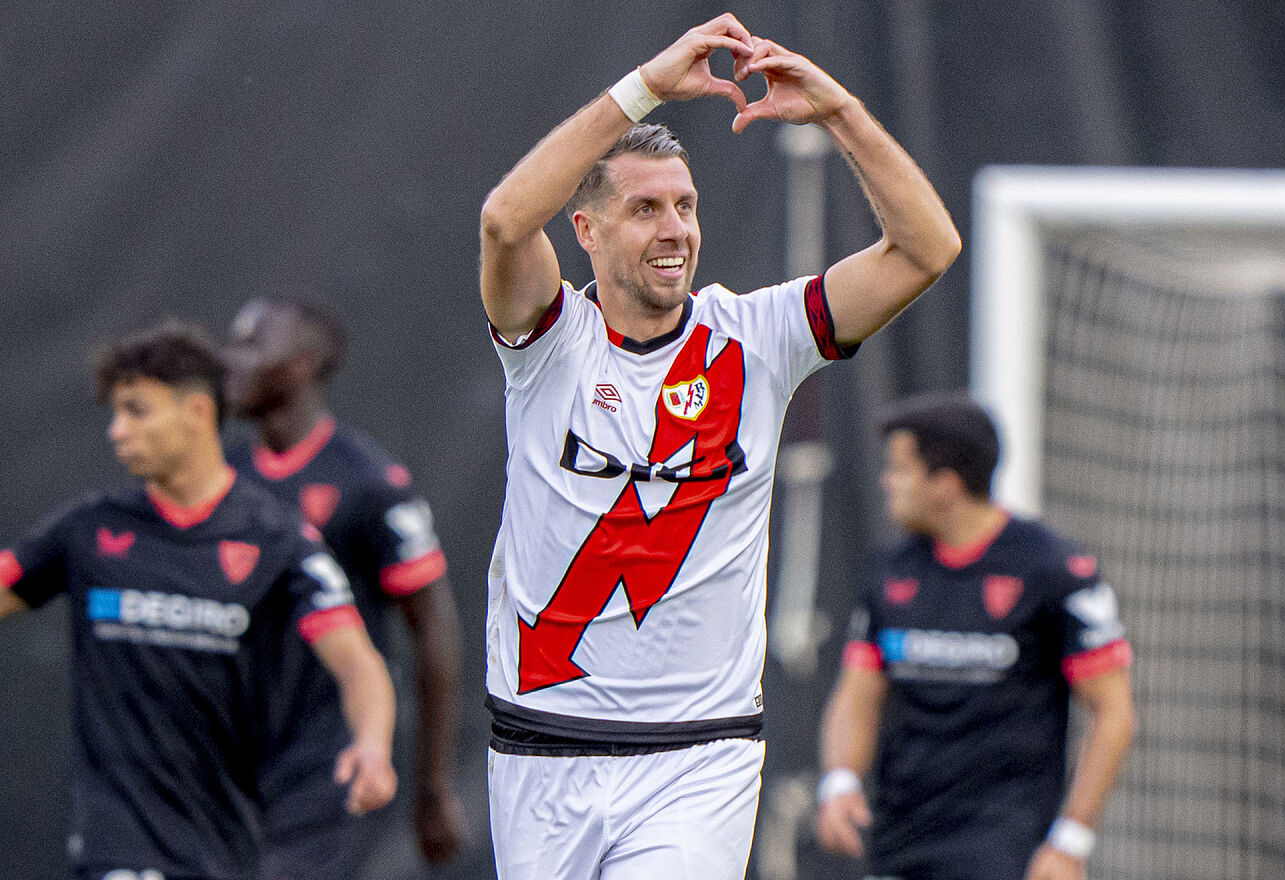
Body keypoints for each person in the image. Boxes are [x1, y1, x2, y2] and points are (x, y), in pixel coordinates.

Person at [478, 13, 960, 880]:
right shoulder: (552, 341)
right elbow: (508, 222)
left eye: (686, 205)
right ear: (585, 231)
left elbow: (928, 248)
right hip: (542, 750)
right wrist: (646, 87)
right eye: (644, 208)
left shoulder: (759, 335)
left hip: (699, 757)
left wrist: (841, 112)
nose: (675, 229)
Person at [0, 321, 398, 880]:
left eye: (136, 411)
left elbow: (359, 665)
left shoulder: (277, 539)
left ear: (197, 413)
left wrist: (373, 747)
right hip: (114, 839)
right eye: (114, 414)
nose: (117, 431)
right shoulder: (87, 531)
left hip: (225, 838)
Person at [815, 393, 1137, 880]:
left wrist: (1070, 843)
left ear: (945, 485)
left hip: (1006, 854)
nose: (887, 482)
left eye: (900, 470)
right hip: (899, 845)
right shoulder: (889, 570)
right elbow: (858, 691)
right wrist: (840, 782)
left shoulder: (1056, 569)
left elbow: (1115, 714)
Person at [223, 296, 465, 878]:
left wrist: (432, 785)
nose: (229, 358)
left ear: (304, 363)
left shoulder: (368, 483)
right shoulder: (220, 479)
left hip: (326, 763)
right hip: (226, 763)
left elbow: (435, 629)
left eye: (253, 344)